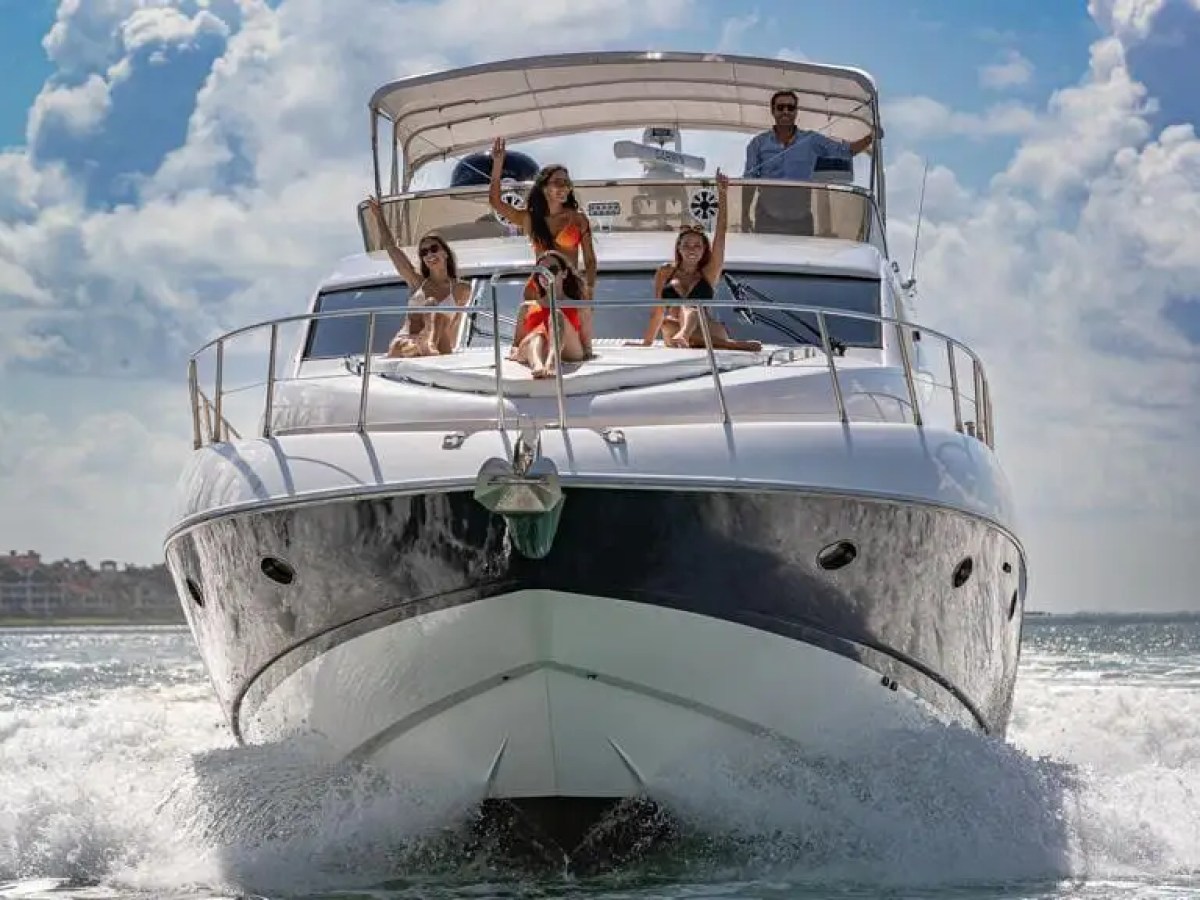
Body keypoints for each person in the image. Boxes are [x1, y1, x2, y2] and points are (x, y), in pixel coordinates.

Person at [632, 171, 761, 353]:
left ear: (704, 250)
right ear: (679, 248)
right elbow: (658, 311)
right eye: (686, 245)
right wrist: (646, 343)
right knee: (668, 323)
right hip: (674, 332)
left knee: (688, 306)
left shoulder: (709, 272)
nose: (692, 249)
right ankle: (731, 345)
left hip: (707, 329)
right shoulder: (665, 272)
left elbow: (721, 234)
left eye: (697, 246)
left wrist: (722, 194)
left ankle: (688, 335)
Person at [741, 89, 875, 235]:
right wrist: (744, 215)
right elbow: (749, 181)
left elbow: (845, 151)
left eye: (790, 107)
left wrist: (871, 137)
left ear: (796, 112)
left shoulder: (811, 140)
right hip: (766, 218)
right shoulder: (758, 144)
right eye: (780, 107)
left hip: (801, 220)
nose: (785, 111)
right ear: (773, 111)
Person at [488, 138, 597, 301]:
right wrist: (498, 164)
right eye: (558, 182)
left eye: (567, 183)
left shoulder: (578, 219)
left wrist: (589, 289)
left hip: (570, 289)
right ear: (544, 188)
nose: (564, 187)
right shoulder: (530, 219)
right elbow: (496, 202)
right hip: (539, 289)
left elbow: (589, 260)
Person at [366, 196, 472, 357]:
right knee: (428, 306)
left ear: (445, 253)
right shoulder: (416, 282)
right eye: (424, 252)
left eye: (434, 249)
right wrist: (379, 216)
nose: (429, 254)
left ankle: (428, 342)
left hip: (438, 347)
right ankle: (423, 344)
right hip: (409, 342)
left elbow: (456, 324)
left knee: (437, 313)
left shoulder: (462, 288)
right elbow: (391, 248)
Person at [509, 250, 592, 379]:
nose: (546, 275)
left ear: (564, 273)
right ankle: (537, 364)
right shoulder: (526, 307)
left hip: (569, 351)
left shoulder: (580, 306)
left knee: (556, 313)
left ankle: (553, 359)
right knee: (537, 336)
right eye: (540, 271)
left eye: (552, 269)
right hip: (535, 350)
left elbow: (587, 348)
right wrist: (514, 351)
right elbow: (515, 344)